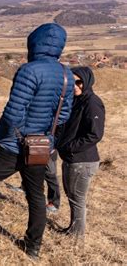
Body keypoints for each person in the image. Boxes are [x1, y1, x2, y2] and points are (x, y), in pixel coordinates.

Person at [0, 23, 74, 260]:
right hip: (41, 146)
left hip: (16, 145)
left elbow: (12, 113)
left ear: (34, 43)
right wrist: (46, 135)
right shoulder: (66, 75)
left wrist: (8, 135)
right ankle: (33, 247)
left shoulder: (29, 70)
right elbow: (64, 115)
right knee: (36, 195)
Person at [56, 66, 105, 238]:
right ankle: (73, 228)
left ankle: (77, 234)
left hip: (82, 160)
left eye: (79, 82)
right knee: (72, 196)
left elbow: (95, 134)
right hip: (72, 158)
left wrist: (69, 147)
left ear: (87, 82)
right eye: (72, 82)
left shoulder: (92, 102)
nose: (75, 86)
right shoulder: (76, 100)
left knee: (77, 199)